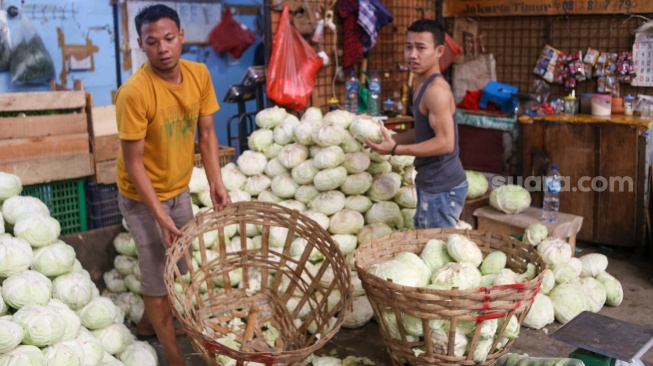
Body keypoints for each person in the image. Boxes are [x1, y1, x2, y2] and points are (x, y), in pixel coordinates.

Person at [115, 4, 230, 366]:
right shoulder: (134, 92)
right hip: (141, 194)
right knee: (156, 276)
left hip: (178, 187)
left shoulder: (199, 75)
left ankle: (148, 326)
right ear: (141, 45)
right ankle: (174, 357)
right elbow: (134, 164)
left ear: (181, 37)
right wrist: (159, 216)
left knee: (177, 267)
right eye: (152, 42)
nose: (162, 48)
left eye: (168, 38)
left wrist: (216, 182)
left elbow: (208, 133)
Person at [366, 19, 467, 229]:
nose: (412, 54)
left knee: (435, 251)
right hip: (430, 182)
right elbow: (421, 133)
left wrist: (396, 149)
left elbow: (445, 143)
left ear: (439, 51)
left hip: (442, 187)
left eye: (421, 48)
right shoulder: (420, 84)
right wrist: (387, 139)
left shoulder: (436, 91)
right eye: (408, 46)